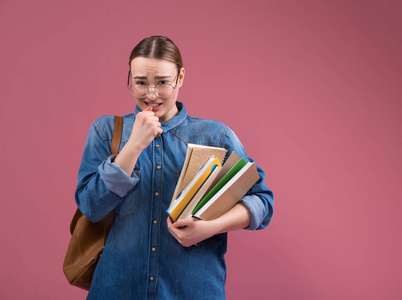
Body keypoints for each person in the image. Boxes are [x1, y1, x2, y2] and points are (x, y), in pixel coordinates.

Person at [75, 36, 274, 300]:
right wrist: (133, 146)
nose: (151, 94)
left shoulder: (216, 136)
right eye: (141, 83)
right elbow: (91, 207)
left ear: (180, 77)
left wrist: (211, 227)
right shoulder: (105, 132)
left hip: (193, 291)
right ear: (129, 79)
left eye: (162, 83)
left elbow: (262, 201)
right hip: (117, 289)